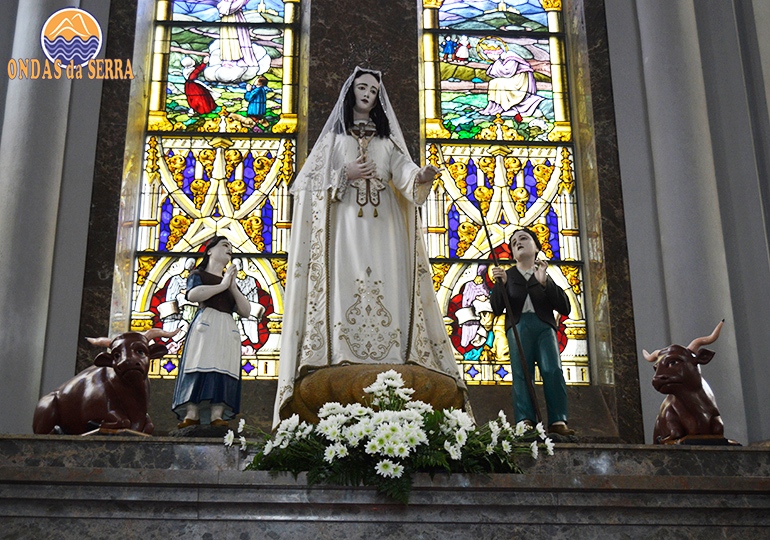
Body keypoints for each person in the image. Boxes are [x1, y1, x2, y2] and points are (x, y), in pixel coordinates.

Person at [273, 67, 467, 426]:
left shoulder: (387, 143)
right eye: (361, 87)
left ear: (378, 98)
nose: (367, 94)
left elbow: (405, 173)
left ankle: (392, 353)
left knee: (388, 281)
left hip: (384, 227)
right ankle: (341, 351)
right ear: (351, 94)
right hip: (345, 227)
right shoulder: (332, 141)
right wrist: (342, 176)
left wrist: (420, 177)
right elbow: (306, 187)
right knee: (346, 280)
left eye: (373, 89)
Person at [490, 228, 574, 436]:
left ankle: (558, 420)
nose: (518, 243)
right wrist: (499, 285)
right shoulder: (508, 275)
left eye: (524, 239)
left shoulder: (544, 275)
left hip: (544, 327)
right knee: (522, 372)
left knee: (552, 369)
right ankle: (525, 419)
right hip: (519, 327)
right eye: (514, 242)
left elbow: (564, 307)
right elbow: (497, 308)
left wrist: (545, 282)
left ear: (536, 247)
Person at [172, 236, 256, 428]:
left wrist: (232, 286)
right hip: (206, 323)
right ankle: (191, 412)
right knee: (199, 363)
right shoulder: (198, 275)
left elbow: (246, 311)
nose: (229, 249)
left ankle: (216, 414)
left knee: (223, 366)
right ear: (209, 251)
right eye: (224, 245)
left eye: (231, 247)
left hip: (226, 326)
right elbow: (193, 295)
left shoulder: (230, 282)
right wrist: (222, 286)